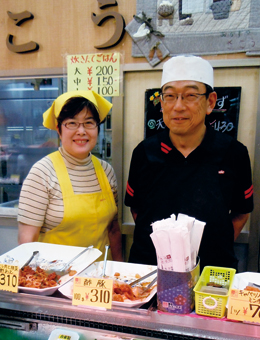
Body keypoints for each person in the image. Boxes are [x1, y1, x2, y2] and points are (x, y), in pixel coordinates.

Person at [125, 55, 254, 270]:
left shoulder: (234, 152)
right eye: (169, 96)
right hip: (149, 269)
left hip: (212, 270)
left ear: (210, 102)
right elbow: (137, 210)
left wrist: (214, 244)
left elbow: (242, 212)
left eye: (190, 96)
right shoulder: (144, 152)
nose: (178, 106)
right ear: (162, 102)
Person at [18, 90, 123, 261]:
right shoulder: (42, 172)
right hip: (54, 281)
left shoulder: (106, 170)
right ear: (59, 130)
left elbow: (113, 229)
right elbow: (26, 241)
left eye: (89, 123)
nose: (81, 131)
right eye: (72, 123)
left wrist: (120, 269)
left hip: (98, 282)